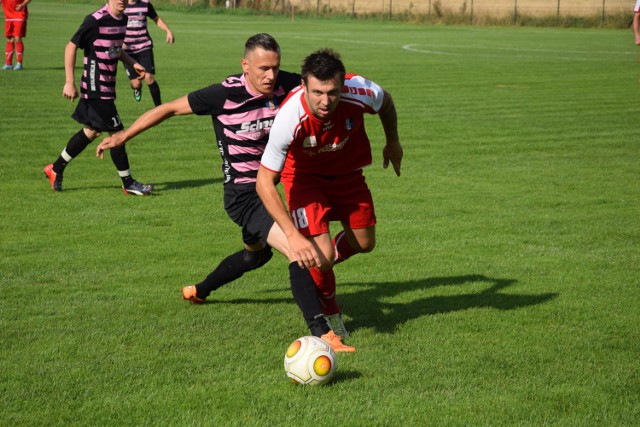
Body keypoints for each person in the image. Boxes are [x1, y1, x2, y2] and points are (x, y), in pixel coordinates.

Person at [95, 33, 354, 352]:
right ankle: (322, 332)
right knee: (298, 250)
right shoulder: (222, 94)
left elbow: (331, 86)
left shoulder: (288, 84)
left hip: (271, 190)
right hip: (243, 197)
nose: (270, 76)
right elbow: (169, 109)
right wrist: (124, 136)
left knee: (254, 256)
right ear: (245, 66)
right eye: (262, 69)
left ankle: (200, 290)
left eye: (275, 67)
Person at [256, 49, 403, 347]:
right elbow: (263, 183)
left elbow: (386, 102)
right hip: (305, 180)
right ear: (304, 85)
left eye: (333, 92)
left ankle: (328, 254)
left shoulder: (360, 90)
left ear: (342, 86)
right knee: (320, 259)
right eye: (318, 93)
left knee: (365, 243)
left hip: (348, 174)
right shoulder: (289, 115)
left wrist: (393, 141)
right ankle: (332, 315)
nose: (325, 101)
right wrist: (292, 236)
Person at [43, 0, 153, 196]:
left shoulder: (123, 19)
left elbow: (114, 50)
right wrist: (69, 82)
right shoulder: (95, 20)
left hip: (107, 87)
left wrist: (131, 62)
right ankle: (128, 182)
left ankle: (55, 168)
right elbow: (71, 46)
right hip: (96, 88)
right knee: (118, 135)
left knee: (91, 132)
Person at [123, 0, 174, 105]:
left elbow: (157, 19)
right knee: (136, 84)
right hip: (127, 51)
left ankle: (159, 108)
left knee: (149, 78)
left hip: (144, 47)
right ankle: (137, 89)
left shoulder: (145, 4)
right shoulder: (120, 5)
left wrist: (168, 31)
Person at [1, 0, 30, 70]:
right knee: (9, 38)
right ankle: (8, 64)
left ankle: (19, 63)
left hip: (19, 15)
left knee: (17, 38)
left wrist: (22, 5)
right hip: (8, 17)